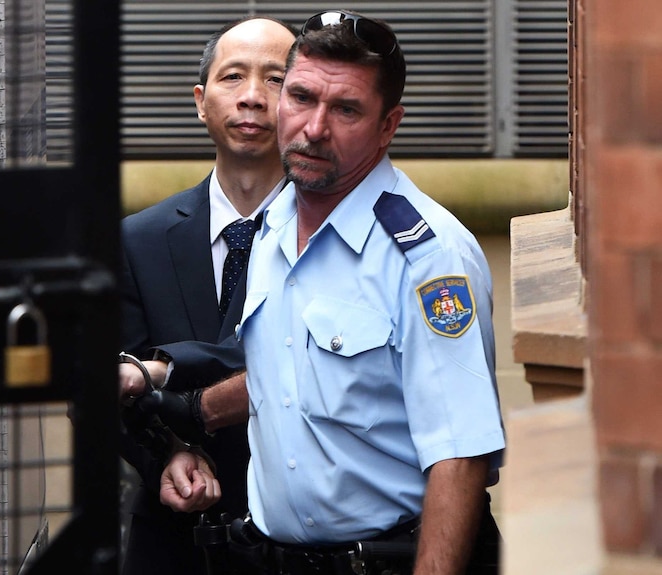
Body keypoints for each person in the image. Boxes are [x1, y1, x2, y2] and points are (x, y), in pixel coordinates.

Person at [159, 10, 505, 575]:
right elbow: (294, 369)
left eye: (345, 110)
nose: (313, 128)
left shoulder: (430, 256)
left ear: (388, 125)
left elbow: (461, 455)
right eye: (300, 97)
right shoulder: (273, 226)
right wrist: (186, 406)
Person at [116, 16, 297, 575]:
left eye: (275, 81)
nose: (251, 98)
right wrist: (165, 454)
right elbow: (110, 379)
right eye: (233, 77)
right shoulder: (138, 238)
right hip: (172, 541)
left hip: (299, 540)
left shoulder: (333, 238)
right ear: (200, 101)